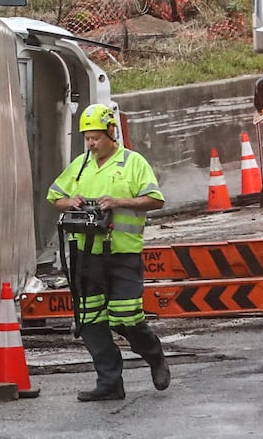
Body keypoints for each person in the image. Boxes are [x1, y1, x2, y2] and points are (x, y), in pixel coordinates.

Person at [46, 104, 171, 402]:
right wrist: (70, 201)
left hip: (122, 254)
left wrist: (119, 202)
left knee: (126, 316)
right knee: (89, 319)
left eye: (96, 138)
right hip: (87, 256)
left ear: (111, 133)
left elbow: (155, 200)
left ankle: (154, 355)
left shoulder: (132, 162)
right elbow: (55, 197)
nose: (91, 144)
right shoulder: (80, 165)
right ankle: (109, 382)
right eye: (87, 138)